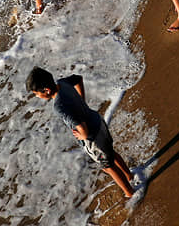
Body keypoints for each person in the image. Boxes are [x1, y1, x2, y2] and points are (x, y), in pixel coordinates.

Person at [26, 67, 135, 198]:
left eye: (36, 94)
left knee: (108, 167)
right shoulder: (63, 83)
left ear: (46, 91)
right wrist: (81, 100)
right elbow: (78, 79)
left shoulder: (59, 106)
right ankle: (129, 175)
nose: (37, 96)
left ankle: (129, 192)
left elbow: (82, 128)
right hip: (98, 121)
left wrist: (83, 136)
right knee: (110, 152)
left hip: (93, 138)